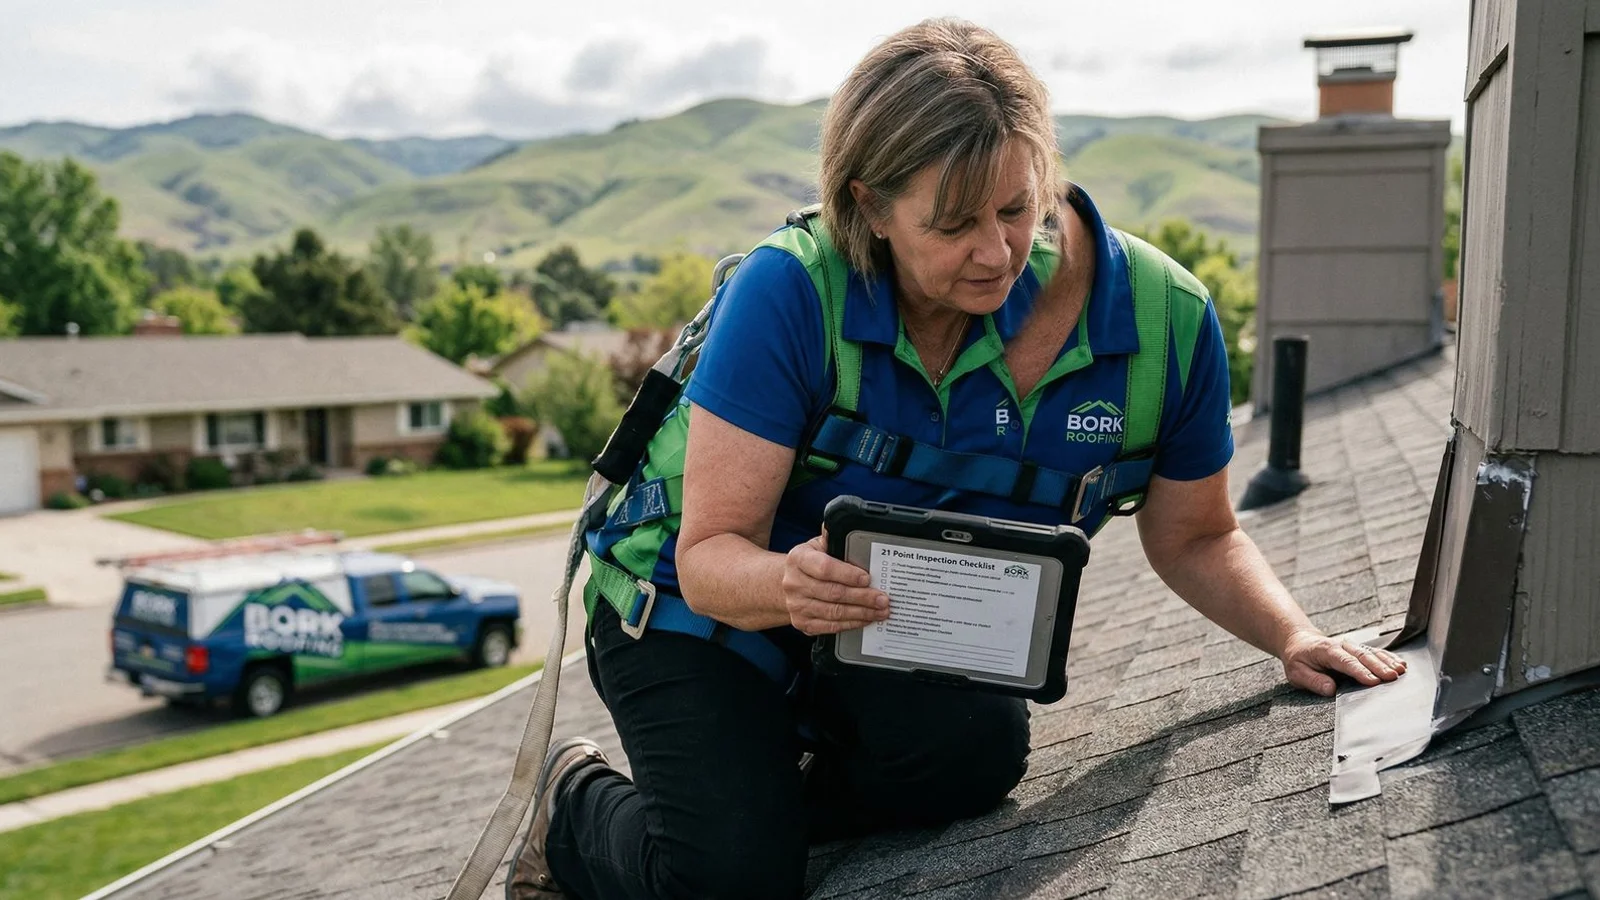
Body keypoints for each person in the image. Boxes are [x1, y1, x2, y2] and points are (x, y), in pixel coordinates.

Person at [507, 18, 1406, 900]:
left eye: (1018, 208)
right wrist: (789, 584)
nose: (996, 251)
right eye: (952, 223)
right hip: (690, 608)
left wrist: (1294, 635)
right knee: (734, 883)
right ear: (869, 205)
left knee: (975, 764)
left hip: (885, 621)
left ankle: (747, 803)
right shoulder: (790, 291)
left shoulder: (1167, 318)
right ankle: (573, 808)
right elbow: (708, 558)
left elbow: (1197, 534)